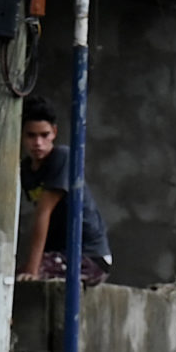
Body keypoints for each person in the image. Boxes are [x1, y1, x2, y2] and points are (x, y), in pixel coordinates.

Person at [20, 96, 111, 284]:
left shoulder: (62, 157)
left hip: (89, 257)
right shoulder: (26, 170)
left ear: (54, 132)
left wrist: (33, 269)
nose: (38, 143)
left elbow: (43, 213)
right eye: (31, 135)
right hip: (58, 253)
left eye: (44, 135)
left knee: (29, 275)